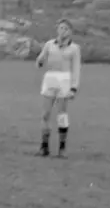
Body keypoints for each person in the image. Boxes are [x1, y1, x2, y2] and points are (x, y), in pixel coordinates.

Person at [35, 19, 81, 158]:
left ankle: (62, 148)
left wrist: (74, 87)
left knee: (61, 114)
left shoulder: (74, 48)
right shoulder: (49, 44)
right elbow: (39, 60)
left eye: (65, 28)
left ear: (70, 32)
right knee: (45, 114)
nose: (62, 31)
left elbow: (76, 68)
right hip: (50, 79)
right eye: (60, 28)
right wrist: (40, 61)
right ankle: (44, 147)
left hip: (64, 80)